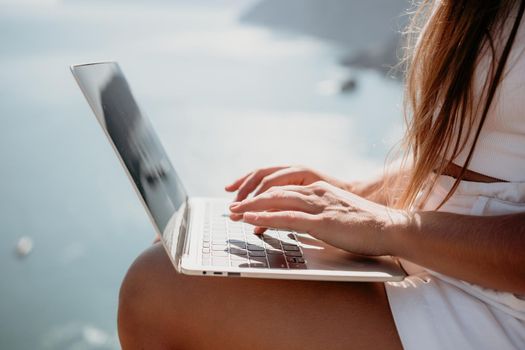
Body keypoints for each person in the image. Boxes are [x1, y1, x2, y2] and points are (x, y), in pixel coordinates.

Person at [117, 0, 525, 348]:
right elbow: (473, 161)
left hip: (499, 307)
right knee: (184, 250)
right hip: (438, 258)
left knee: (156, 287)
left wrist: (387, 227)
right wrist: (348, 191)